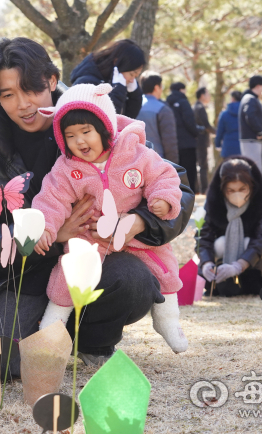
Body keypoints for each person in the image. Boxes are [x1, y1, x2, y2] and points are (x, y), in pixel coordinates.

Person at [0, 38, 194, 382]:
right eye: (8, 95)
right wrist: (45, 237)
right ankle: (49, 336)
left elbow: (174, 182)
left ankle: (90, 341)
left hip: (98, 259)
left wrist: (140, 221)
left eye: (31, 88)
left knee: (134, 280)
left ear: (51, 79)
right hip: (23, 278)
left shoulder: (97, 120)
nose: (24, 104)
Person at [32, 83, 188, 353]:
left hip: (134, 235)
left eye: (86, 131)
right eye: (70, 135)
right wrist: (46, 227)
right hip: (88, 238)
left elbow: (163, 175)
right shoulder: (67, 169)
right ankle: (50, 331)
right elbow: (50, 199)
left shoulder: (135, 153)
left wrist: (161, 199)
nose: (80, 141)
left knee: (166, 268)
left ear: (105, 127)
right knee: (66, 279)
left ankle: (168, 321)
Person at [199, 157, 262, 296]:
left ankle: (247, 280)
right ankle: (219, 280)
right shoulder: (215, 204)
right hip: (222, 260)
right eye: (230, 190)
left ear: (251, 186)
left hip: (255, 265)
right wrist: (206, 263)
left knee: (248, 242)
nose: (237, 194)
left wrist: (239, 265)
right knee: (220, 244)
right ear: (222, 190)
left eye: (242, 189)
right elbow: (204, 237)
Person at [70, 39, 145, 118]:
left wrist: (135, 95)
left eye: (136, 76)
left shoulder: (115, 83)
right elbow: (110, 119)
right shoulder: (87, 82)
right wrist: (118, 89)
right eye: (131, 74)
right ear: (117, 63)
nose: (132, 80)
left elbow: (127, 118)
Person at [136, 71, 179, 163]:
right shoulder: (163, 109)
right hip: (157, 162)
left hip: (134, 160)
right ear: (156, 87)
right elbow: (170, 143)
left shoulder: (132, 106)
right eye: (161, 86)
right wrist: (174, 166)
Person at [167, 82, 201, 191]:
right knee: (189, 171)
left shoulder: (166, 103)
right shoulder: (183, 102)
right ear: (182, 90)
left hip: (172, 143)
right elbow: (189, 122)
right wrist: (196, 132)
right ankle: (189, 195)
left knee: (175, 171)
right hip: (187, 143)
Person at [239, 75, 262, 174]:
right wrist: (259, 131)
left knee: (252, 167)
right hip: (251, 139)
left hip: (250, 139)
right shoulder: (250, 99)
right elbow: (250, 116)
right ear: (258, 86)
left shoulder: (248, 98)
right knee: (254, 168)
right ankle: (255, 189)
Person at [193, 87, 216, 193]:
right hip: (201, 140)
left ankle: (199, 189)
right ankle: (204, 190)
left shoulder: (195, 106)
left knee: (200, 165)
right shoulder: (200, 107)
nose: (209, 96)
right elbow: (206, 125)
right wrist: (217, 132)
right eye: (207, 93)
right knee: (203, 165)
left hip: (197, 140)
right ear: (202, 95)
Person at [215, 91, 242, 158]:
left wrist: (217, 144)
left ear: (232, 99)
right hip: (243, 147)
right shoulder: (245, 113)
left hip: (228, 148)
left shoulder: (224, 114)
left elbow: (220, 131)